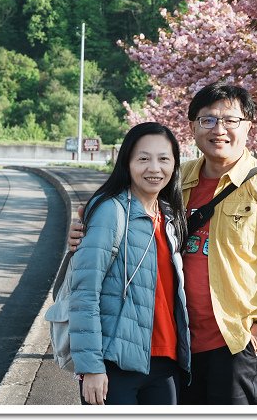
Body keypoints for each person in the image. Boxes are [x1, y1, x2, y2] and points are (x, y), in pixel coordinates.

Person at [69, 83, 257, 405]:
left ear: (248, 127)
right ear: (192, 127)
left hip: (232, 345)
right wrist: (85, 232)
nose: (220, 130)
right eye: (208, 120)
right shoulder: (175, 178)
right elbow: (127, 217)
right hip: (178, 345)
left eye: (231, 120)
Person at [69, 122, 190, 405]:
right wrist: (91, 367)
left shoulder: (170, 216)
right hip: (115, 363)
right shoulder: (111, 211)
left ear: (174, 164)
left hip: (165, 364)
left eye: (164, 159)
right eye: (143, 159)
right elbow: (84, 293)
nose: (154, 168)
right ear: (128, 163)